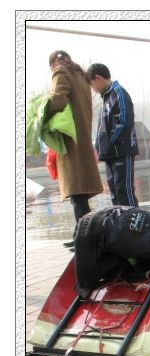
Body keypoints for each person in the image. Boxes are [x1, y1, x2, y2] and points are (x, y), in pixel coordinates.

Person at [46, 51, 103, 239]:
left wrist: (40, 113)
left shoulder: (61, 72)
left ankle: (86, 240)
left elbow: (57, 100)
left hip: (71, 145)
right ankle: (83, 236)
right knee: (80, 197)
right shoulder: (81, 76)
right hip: (84, 143)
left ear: (54, 63)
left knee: (77, 195)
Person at [86, 63, 139, 207]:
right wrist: (100, 147)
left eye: (92, 84)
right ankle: (120, 225)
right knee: (115, 191)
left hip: (121, 151)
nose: (93, 89)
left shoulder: (118, 93)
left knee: (124, 190)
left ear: (98, 78)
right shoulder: (106, 97)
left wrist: (111, 142)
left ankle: (134, 225)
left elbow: (123, 122)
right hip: (110, 154)